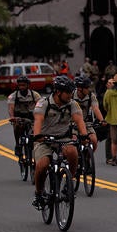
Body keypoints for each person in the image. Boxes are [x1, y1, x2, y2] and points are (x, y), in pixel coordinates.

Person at [31, 77, 88, 209]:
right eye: (68, 92)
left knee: (73, 152)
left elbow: (79, 120)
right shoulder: (43, 103)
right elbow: (38, 120)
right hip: (44, 139)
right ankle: (39, 193)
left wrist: (84, 136)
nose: (71, 95)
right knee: (43, 165)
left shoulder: (72, 104)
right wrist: (37, 136)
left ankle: (69, 184)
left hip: (63, 138)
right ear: (58, 92)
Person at [7, 76, 42, 156]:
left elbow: (41, 107)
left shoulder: (35, 95)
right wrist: (12, 117)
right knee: (17, 127)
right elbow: (11, 107)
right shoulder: (13, 96)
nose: (21, 87)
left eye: (23, 85)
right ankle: (18, 145)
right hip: (19, 117)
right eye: (20, 85)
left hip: (32, 117)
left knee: (36, 133)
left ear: (28, 85)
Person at [73, 76, 106, 152]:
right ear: (79, 89)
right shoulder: (71, 96)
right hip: (72, 123)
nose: (89, 89)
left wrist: (102, 120)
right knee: (73, 141)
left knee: (94, 140)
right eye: (86, 87)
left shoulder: (91, 96)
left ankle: (88, 158)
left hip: (86, 123)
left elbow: (95, 108)